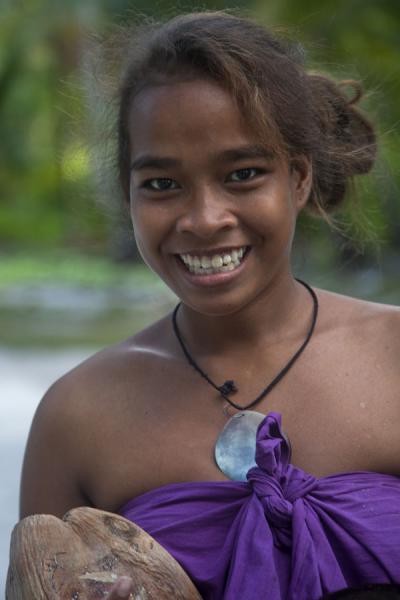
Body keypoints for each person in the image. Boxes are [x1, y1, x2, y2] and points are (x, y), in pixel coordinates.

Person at [19, 11, 400, 600]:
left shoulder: (392, 357)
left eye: (243, 174)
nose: (203, 219)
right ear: (129, 196)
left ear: (297, 179)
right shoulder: (77, 417)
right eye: (162, 185)